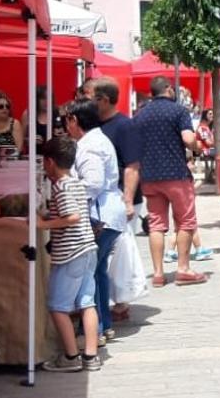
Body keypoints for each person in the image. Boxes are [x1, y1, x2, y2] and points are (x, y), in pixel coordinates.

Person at [36, 136, 102, 372]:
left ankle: (72, 356)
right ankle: (91, 356)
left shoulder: (61, 186)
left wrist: (43, 225)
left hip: (70, 254)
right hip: (87, 250)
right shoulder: (75, 183)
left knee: (57, 305)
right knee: (87, 303)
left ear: (50, 162)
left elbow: (72, 217)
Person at [64, 99, 127, 344]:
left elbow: (92, 183)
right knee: (98, 271)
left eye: (67, 119)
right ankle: (104, 325)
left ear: (74, 120)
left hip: (100, 216)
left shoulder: (88, 146)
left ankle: (95, 330)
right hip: (107, 213)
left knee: (88, 275)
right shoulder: (94, 141)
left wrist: (68, 194)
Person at [133, 77, 205, 286]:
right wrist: (197, 149)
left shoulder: (140, 115)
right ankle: (183, 269)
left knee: (156, 224)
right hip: (176, 174)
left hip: (150, 176)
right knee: (186, 221)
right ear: (167, 90)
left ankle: (157, 274)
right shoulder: (178, 111)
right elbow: (188, 139)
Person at [82, 78, 141, 231]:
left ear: (104, 100)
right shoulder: (93, 124)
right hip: (100, 202)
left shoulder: (125, 126)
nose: (86, 102)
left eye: (90, 97)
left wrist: (127, 201)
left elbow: (132, 166)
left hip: (119, 200)